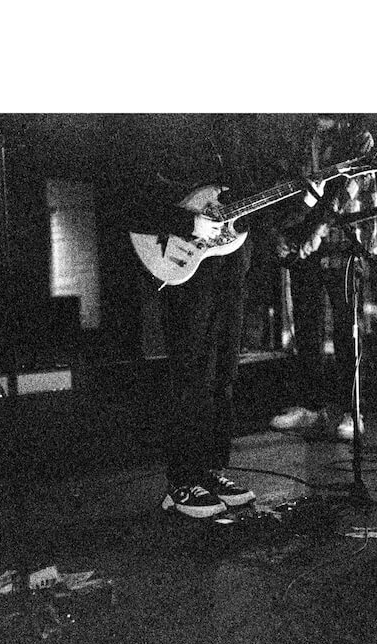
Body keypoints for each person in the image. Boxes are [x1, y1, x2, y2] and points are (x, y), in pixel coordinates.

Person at [109, 116, 258, 519]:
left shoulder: (234, 125)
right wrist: (188, 215)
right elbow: (132, 187)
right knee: (191, 370)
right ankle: (181, 481)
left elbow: (251, 187)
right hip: (187, 256)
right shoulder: (164, 120)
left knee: (224, 371)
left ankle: (211, 470)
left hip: (232, 259)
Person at [267, 116, 377, 441]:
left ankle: (352, 410)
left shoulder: (359, 136)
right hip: (304, 242)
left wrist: (319, 228)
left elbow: (349, 188)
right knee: (307, 323)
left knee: (348, 327)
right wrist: (284, 232)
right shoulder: (302, 135)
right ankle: (311, 405)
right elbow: (286, 187)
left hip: (343, 242)